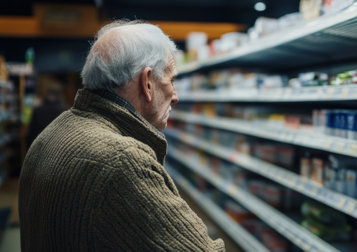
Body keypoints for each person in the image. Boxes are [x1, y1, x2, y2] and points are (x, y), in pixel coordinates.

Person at [19, 20, 225, 251]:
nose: (175, 96)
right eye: (171, 80)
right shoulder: (122, 162)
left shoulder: (51, 134)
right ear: (147, 83)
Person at [26, 81, 66, 148]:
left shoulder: (37, 110)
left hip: (39, 147)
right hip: (57, 148)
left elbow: (31, 132)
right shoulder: (64, 111)